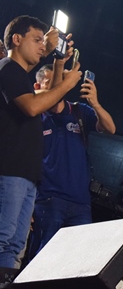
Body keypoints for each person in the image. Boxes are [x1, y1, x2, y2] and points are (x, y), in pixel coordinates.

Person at [0, 15, 81, 272]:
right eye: (36, 40)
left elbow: (49, 99)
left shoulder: (20, 77)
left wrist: (58, 62)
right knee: (3, 240)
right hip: (8, 171)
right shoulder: (7, 68)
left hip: (27, 175)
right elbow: (33, 106)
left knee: (15, 247)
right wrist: (67, 83)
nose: (41, 46)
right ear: (16, 39)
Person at [29, 59, 116, 257]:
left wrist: (95, 103)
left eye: (60, 82)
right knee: (41, 260)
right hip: (47, 200)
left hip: (81, 203)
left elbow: (110, 128)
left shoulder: (79, 111)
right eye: (51, 83)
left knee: (75, 261)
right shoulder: (35, 115)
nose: (58, 87)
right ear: (38, 86)